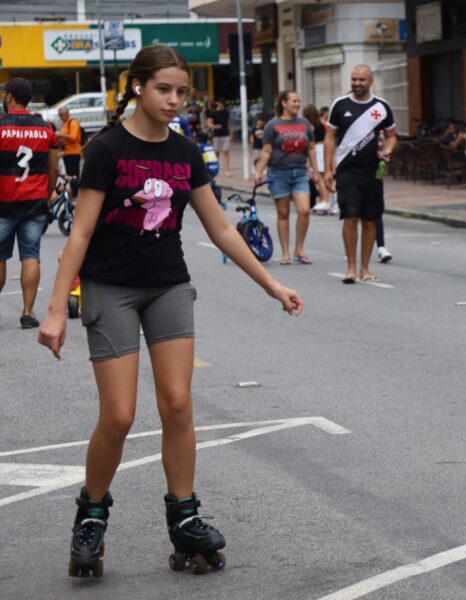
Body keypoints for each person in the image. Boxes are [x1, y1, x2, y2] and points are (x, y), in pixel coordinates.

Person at [37, 44, 303, 578]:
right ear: (138, 86)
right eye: (164, 89)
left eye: (182, 91)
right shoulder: (107, 149)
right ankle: (91, 517)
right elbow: (79, 234)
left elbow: (220, 228)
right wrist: (56, 310)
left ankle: (184, 517)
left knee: (178, 405)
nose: (174, 100)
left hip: (169, 288)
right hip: (110, 287)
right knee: (118, 416)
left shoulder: (185, 153)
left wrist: (272, 285)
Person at [324, 64, 397, 283]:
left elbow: (392, 136)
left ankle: (365, 269)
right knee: (350, 216)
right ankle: (351, 268)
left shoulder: (382, 106)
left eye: (362, 80)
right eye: (354, 79)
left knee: (370, 220)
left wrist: (388, 150)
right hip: (347, 171)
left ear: (371, 82)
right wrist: (328, 169)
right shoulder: (340, 104)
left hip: (373, 172)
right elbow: (330, 137)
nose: (357, 83)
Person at [0, 77, 59, 328]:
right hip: (34, 202)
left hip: (3, 203)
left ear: (9, 97)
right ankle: (27, 312)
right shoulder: (46, 129)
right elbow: (53, 168)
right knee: (31, 255)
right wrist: (46, 194)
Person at [254, 91, 320, 265]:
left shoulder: (305, 123)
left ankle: (299, 249)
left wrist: (316, 171)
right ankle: (285, 252)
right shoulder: (272, 125)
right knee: (283, 213)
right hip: (278, 173)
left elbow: (311, 148)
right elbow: (266, 151)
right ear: (284, 103)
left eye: (299, 101)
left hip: (300, 173)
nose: (297, 104)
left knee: (304, 210)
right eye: (294, 101)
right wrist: (259, 172)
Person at [303, 104, 333, 214]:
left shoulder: (310, 126)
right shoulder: (321, 123)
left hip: (317, 149)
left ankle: (325, 201)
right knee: (324, 177)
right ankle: (326, 201)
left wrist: (308, 161)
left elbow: (310, 143)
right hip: (323, 148)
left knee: (319, 177)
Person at [57, 107, 82, 199]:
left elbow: (73, 137)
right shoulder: (64, 124)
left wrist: (60, 134)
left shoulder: (73, 122)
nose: (61, 117)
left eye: (62, 114)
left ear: (67, 113)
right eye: (60, 115)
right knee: (68, 176)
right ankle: (71, 195)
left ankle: (76, 195)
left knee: (74, 175)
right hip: (66, 153)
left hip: (74, 153)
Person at [207, 99, 232, 176]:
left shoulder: (226, 112)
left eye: (223, 105)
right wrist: (214, 126)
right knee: (216, 153)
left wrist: (231, 135)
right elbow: (209, 123)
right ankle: (215, 169)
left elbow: (229, 123)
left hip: (226, 135)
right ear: (217, 104)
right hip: (216, 135)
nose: (221, 106)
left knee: (226, 152)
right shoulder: (213, 112)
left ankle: (227, 170)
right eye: (220, 104)